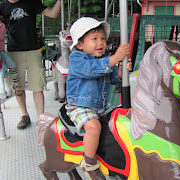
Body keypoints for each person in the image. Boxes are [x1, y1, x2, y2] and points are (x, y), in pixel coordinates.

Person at [66, 17, 132, 180]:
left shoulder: (103, 59)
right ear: (80, 44)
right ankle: (89, 163)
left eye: (102, 38)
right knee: (94, 127)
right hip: (80, 105)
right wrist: (115, 59)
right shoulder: (77, 58)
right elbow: (90, 70)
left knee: (123, 118)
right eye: (94, 39)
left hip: (100, 106)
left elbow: (112, 79)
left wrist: (121, 71)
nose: (100, 42)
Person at [0, 0, 61, 129]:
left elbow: (53, 14)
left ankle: (41, 118)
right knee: (18, 87)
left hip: (33, 50)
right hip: (13, 52)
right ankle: (24, 114)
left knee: (37, 86)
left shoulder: (31, 2)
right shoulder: (2, 6)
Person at [0, 16, 22, 96]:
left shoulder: (1, 25)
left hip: (0, 50)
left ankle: (16, 82)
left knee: (11, 63)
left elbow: (1, 36)